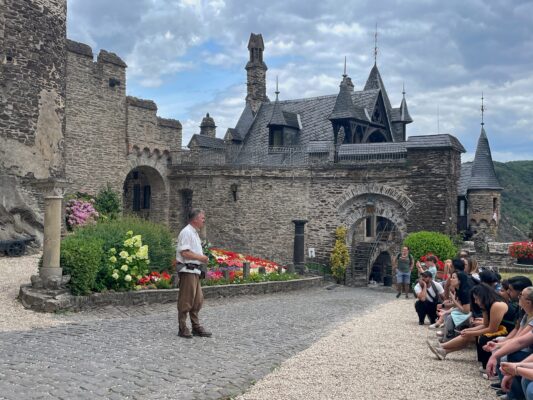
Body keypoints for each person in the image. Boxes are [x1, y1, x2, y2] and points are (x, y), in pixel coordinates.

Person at [427, 283, 509, 361]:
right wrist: (469, 330)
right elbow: (485, 325)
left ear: (483, 296)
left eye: (476, 299)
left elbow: (492, 329)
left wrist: (471, 333)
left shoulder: (497, 305)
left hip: (507, 331)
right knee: (468, 333)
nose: (475, 302)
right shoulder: (486, 305)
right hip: (499, 329)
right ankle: (444, 351)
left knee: (470, 335)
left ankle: (441, 347)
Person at [176, 209, 212, 339]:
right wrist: (201, 258)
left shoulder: (194, 233)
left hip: (195, 271)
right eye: (202, 218)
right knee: (186, 300)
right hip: (188, 270)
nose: (204, 220)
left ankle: (196, 327)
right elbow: (184, 253)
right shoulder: (186, 232)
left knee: (197, 301)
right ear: (195, 219)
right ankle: (182, 327)